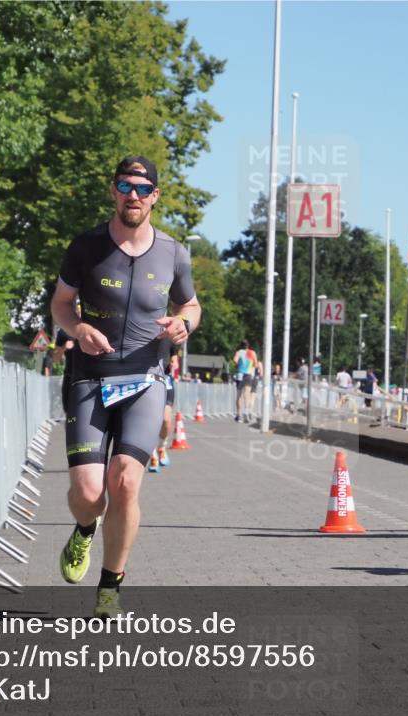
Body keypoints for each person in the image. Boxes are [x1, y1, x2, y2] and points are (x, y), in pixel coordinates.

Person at [50, 155, 200, 617]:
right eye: (124, 186)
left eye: (141, 188)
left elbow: (191, 305)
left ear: (154, 195)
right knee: (89, 493)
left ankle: (110, 586)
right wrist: (77, 331)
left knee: (126, 481)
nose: (132, 195)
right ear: (113, 192)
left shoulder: (174, 253)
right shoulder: (86, 247)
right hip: (90, 379)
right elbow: (60, 304)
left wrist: (183, 325)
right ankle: (84, 529)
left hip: (145, 380)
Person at [232, 339, 257, 423]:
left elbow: (235, 360)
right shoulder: (252, 353)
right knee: (247, 394)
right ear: (248, 345)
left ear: (241, 345)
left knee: (239, 395)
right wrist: (250, 365)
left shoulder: (239, 352)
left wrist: (238, 365)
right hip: (248, 374)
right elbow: (256, 364)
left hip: (240, 374)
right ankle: (246, 411)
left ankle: (238, 415)